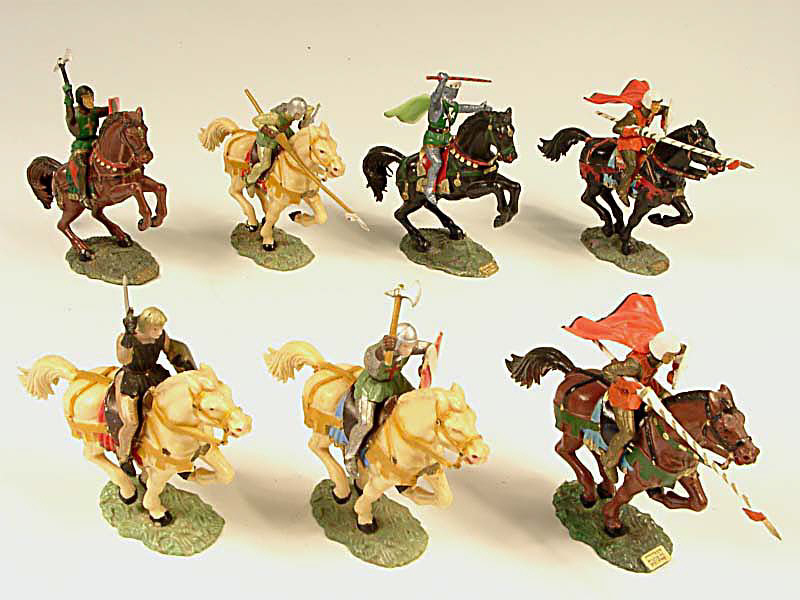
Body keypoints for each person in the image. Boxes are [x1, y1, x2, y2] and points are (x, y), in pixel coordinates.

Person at [563, 293, 687, 482]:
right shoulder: (634, 365)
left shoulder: (656, 359)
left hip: (643, 389)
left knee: (668, 405)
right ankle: (609, 461)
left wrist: (668, 384)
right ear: (662, 352)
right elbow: (608, 372)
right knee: (628, 432)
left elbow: (675, 358)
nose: (671, 358)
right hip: (624, 397)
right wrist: (632, 385)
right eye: (670, 355)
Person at [113, 306, 196, 472]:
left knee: (172, 409)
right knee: (131, 422)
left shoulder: (161, 337)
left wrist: (185, 368)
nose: (159, 332)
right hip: (132, 380)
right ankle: (123, 455)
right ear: (145, 327)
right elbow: (123, 359)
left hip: (155, 376)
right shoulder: (126, 338)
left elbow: (171, 351)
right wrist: (127, 340)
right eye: (155, 329)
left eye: (161, 328)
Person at [344, 323, 430, 478]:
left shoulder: (408, 347)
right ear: (397, 343)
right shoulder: (382, 349)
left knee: (416, 402)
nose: (409, 350)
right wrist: (381, 351)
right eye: (405, 346)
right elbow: (371, 361)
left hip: (394, 382)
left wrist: (429, 358)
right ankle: (350, 455)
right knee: (365, 423)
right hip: (372, 387)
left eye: (411, 346)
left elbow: (428, 347)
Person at [585, 80, 669, 206]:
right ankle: (622, 189)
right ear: (648, 103)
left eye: (658, 104)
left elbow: (665, 110)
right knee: (631, 165)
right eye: (655, 104)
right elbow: (617, 128)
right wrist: (634, 130)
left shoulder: (654, 110)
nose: (657, 107)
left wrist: (665, 125)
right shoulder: (633, 115)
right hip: (628, 141)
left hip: (642, 139)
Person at [245, 97, 316, 195]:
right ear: (295, 113)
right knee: (265, 164)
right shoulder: (275, 118)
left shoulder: (293, 112)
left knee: (296, 147)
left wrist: (307, 117)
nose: (299, 117)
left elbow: (302, 127)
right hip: (267, 139)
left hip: (282, 132)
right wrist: (268, 131)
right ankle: (249, 181)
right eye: (299, 115)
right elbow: (255, 120)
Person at [63, 83, 112, 208]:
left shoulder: (94, 111)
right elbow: (70, 119)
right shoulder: (74, 113)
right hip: (81, 146)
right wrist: (68, 99)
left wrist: (115, 106)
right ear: (80, 100)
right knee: (83, 165)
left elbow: (110, 109)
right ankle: (83, 195)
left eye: (91, 97)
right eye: (86, 97)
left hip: (96, 142)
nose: (91, 100)